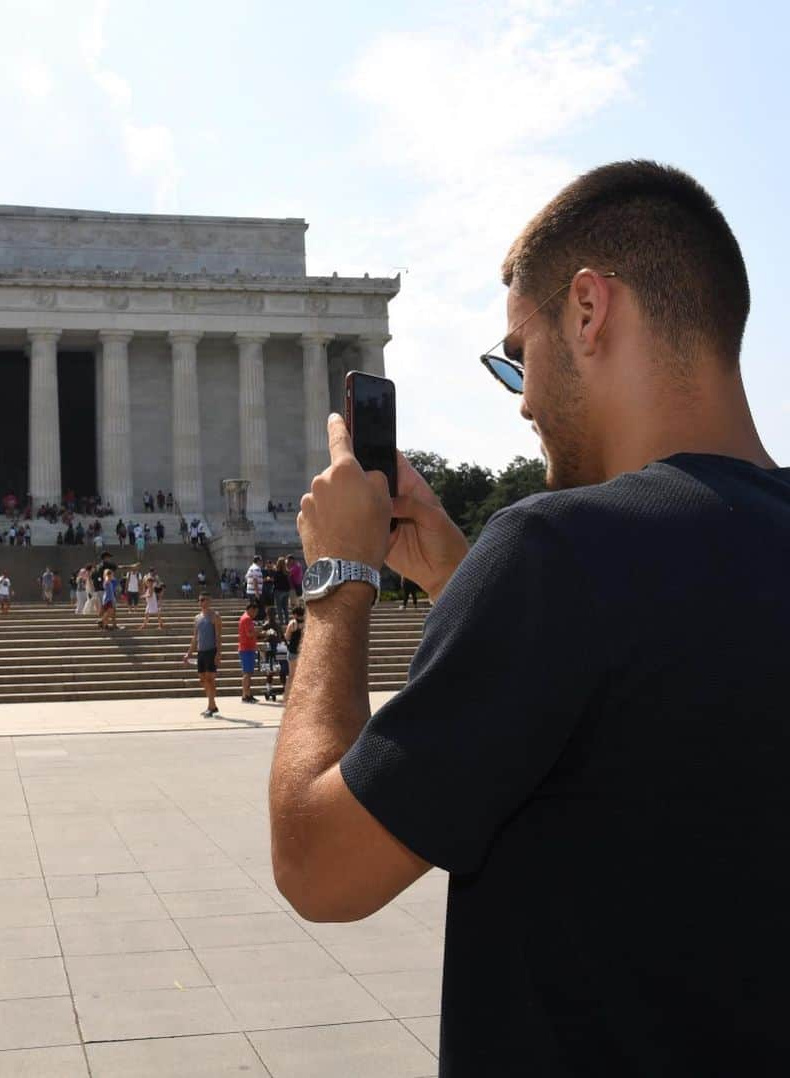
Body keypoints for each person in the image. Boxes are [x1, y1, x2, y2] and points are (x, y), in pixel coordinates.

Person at [270, 161, 790, 1076]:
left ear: (588, 312)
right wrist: (467, 585)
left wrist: (339, 578)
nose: (522, 399)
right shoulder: (584, 576)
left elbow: (317, 865)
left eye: (522, 351)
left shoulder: (561, 553)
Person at [184, 593, 222, 717]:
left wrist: (218, 653)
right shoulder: (197, 618)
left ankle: (210, 706)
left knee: (210, 679)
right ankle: (213, 704)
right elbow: (195, 638)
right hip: (201, 652)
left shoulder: (215, 616)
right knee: (202, 679)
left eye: (203, 600)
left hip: (211, 651)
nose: (201, 602)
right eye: (199, 600)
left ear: (209, 601)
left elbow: (218, 636)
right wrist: (188, 654)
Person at [237, 600, 259, 703]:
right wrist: (260, 632)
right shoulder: (247, 619)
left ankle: (247, 694)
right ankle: (246, 695)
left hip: (247, 648)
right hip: (247, 649)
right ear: (251, 609)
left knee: (248, 673)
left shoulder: (245, 618)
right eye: (255, 612)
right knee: (247, 673)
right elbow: (250, 634)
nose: (256, 614)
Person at [284, 603, 304, 680]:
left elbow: (287, 637)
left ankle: (289, 691)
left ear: (295, 614)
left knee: (292, 675)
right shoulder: (307, 623)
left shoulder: (293, 623)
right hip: (303, 651)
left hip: (293, 650)